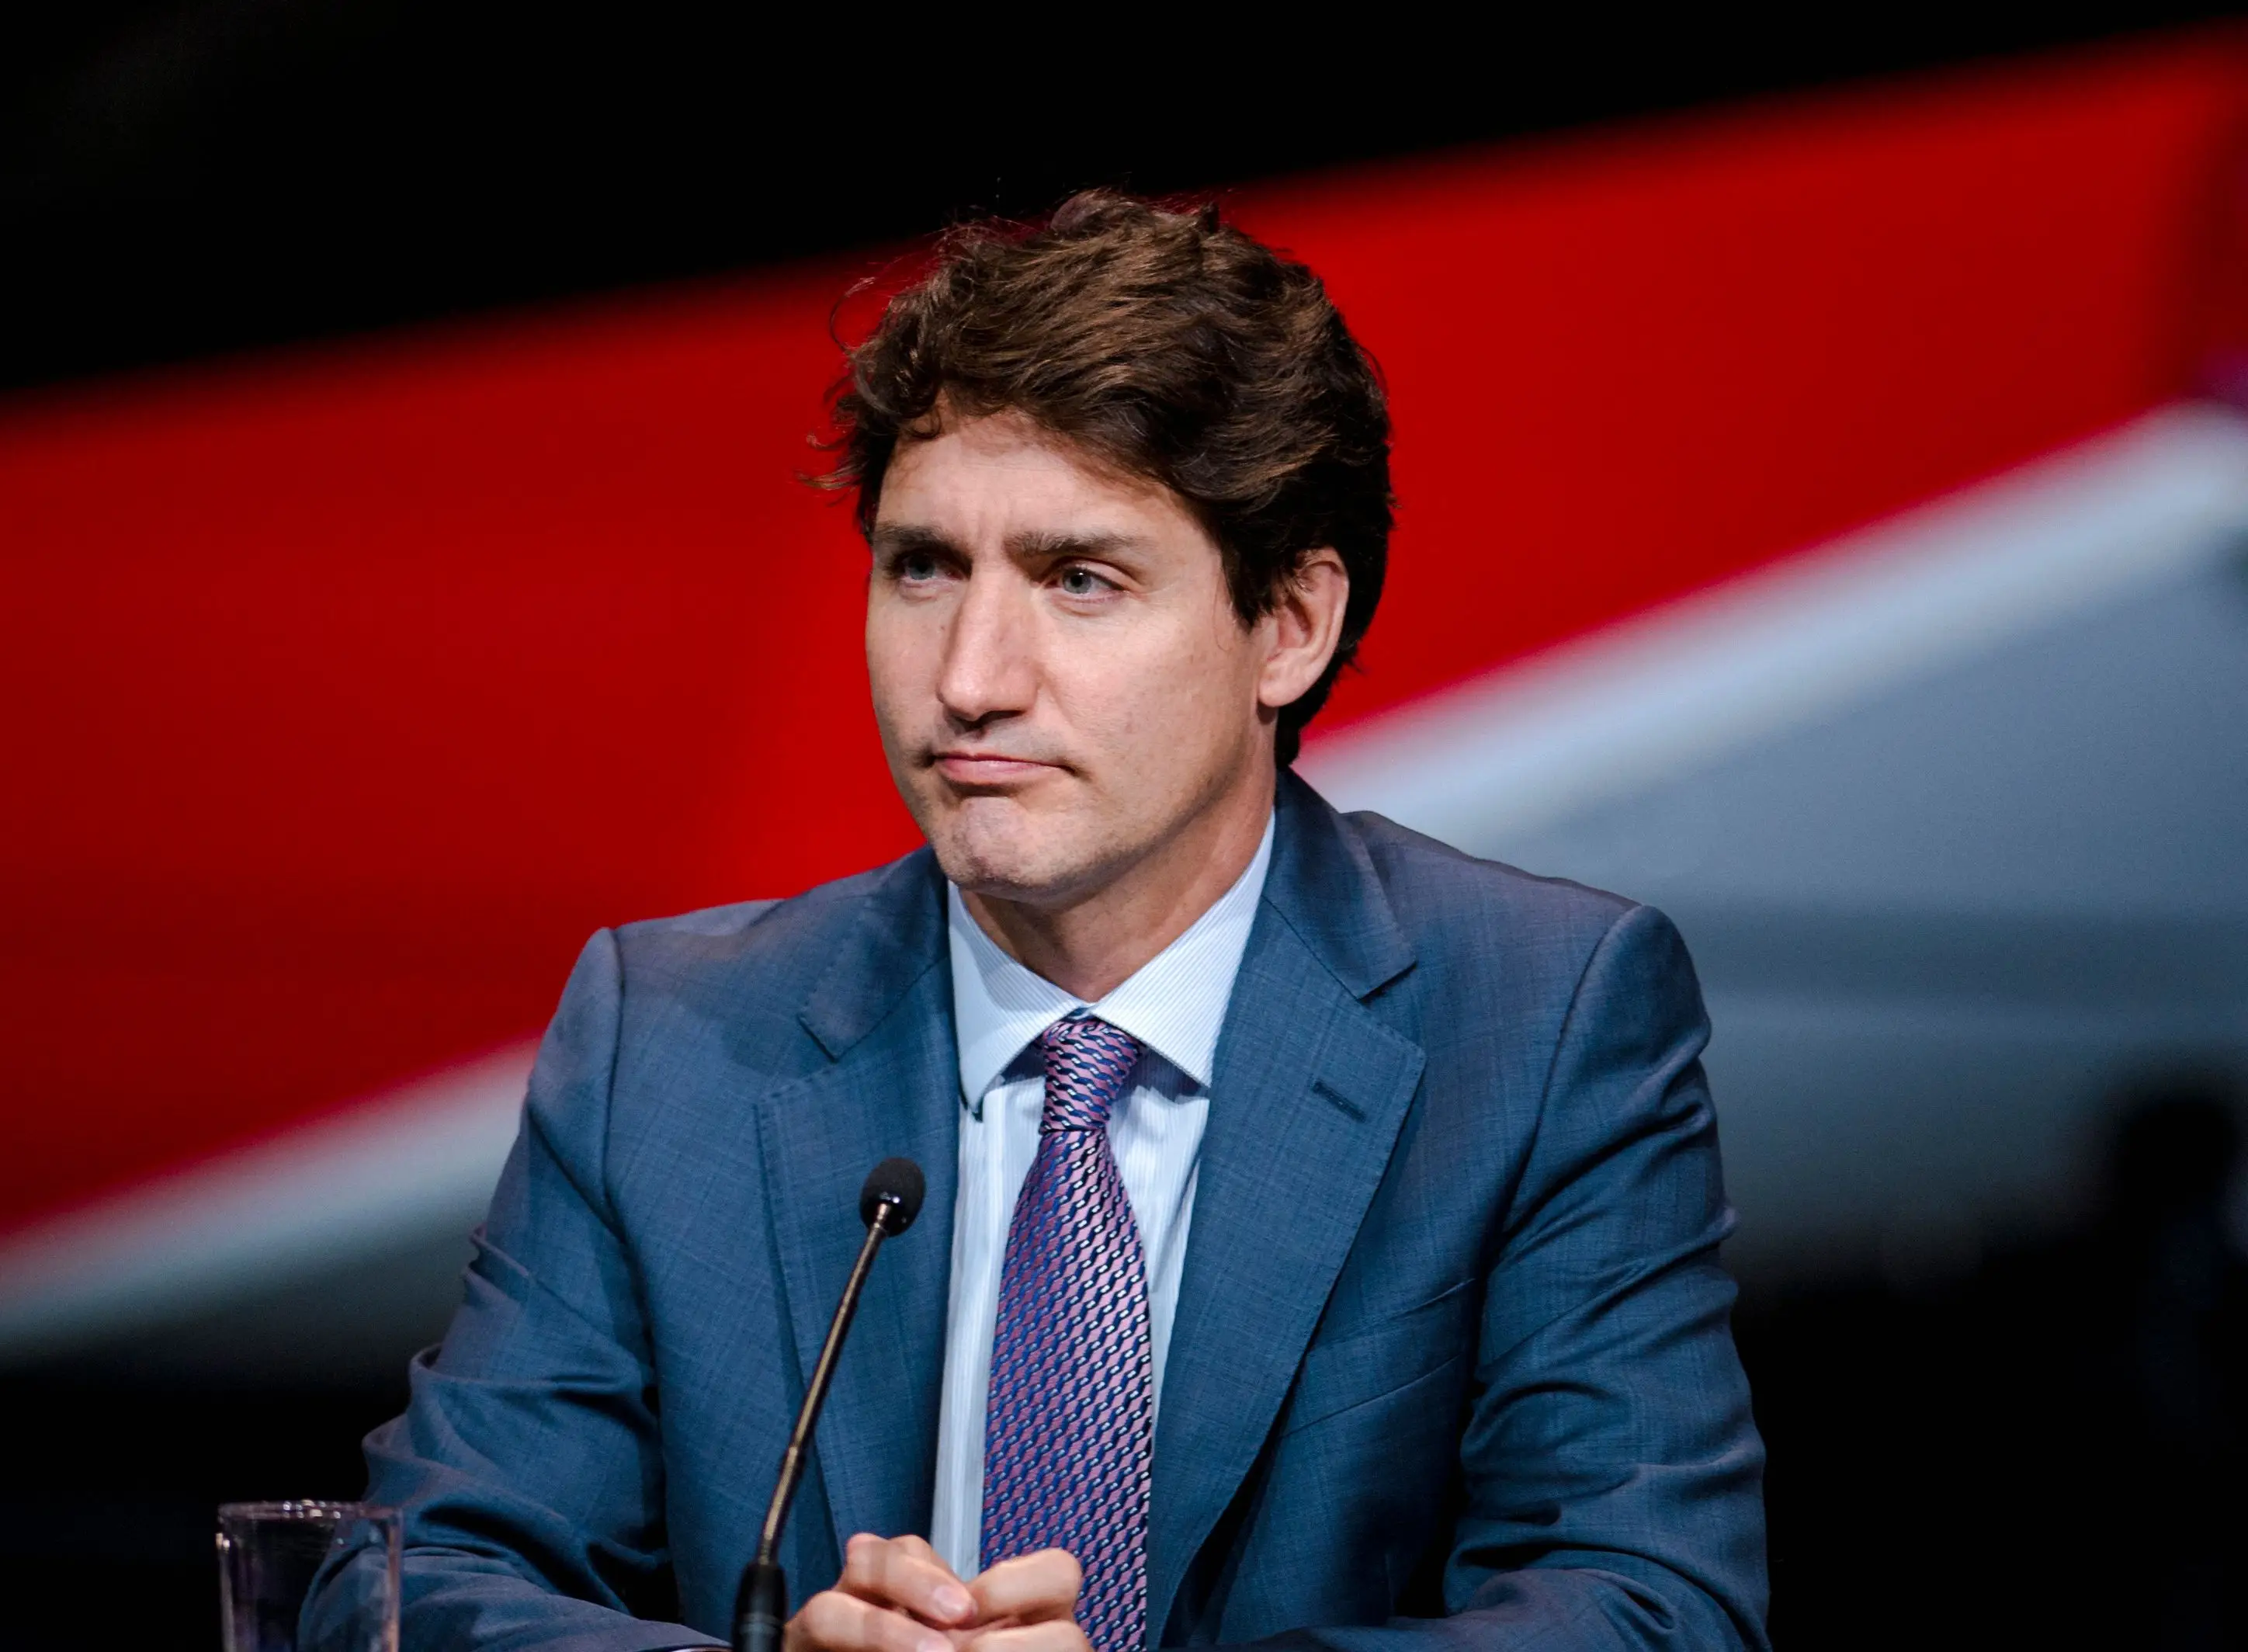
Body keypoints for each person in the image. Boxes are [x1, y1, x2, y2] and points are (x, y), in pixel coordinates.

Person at [352, 192, 1768, 1652]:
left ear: (1288, 623)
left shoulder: (1538, 1019)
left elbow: (1650, 1605)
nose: (970, 675)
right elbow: (409, 1581)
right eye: (924, 568)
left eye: (1078, 580)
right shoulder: (670, 1037)